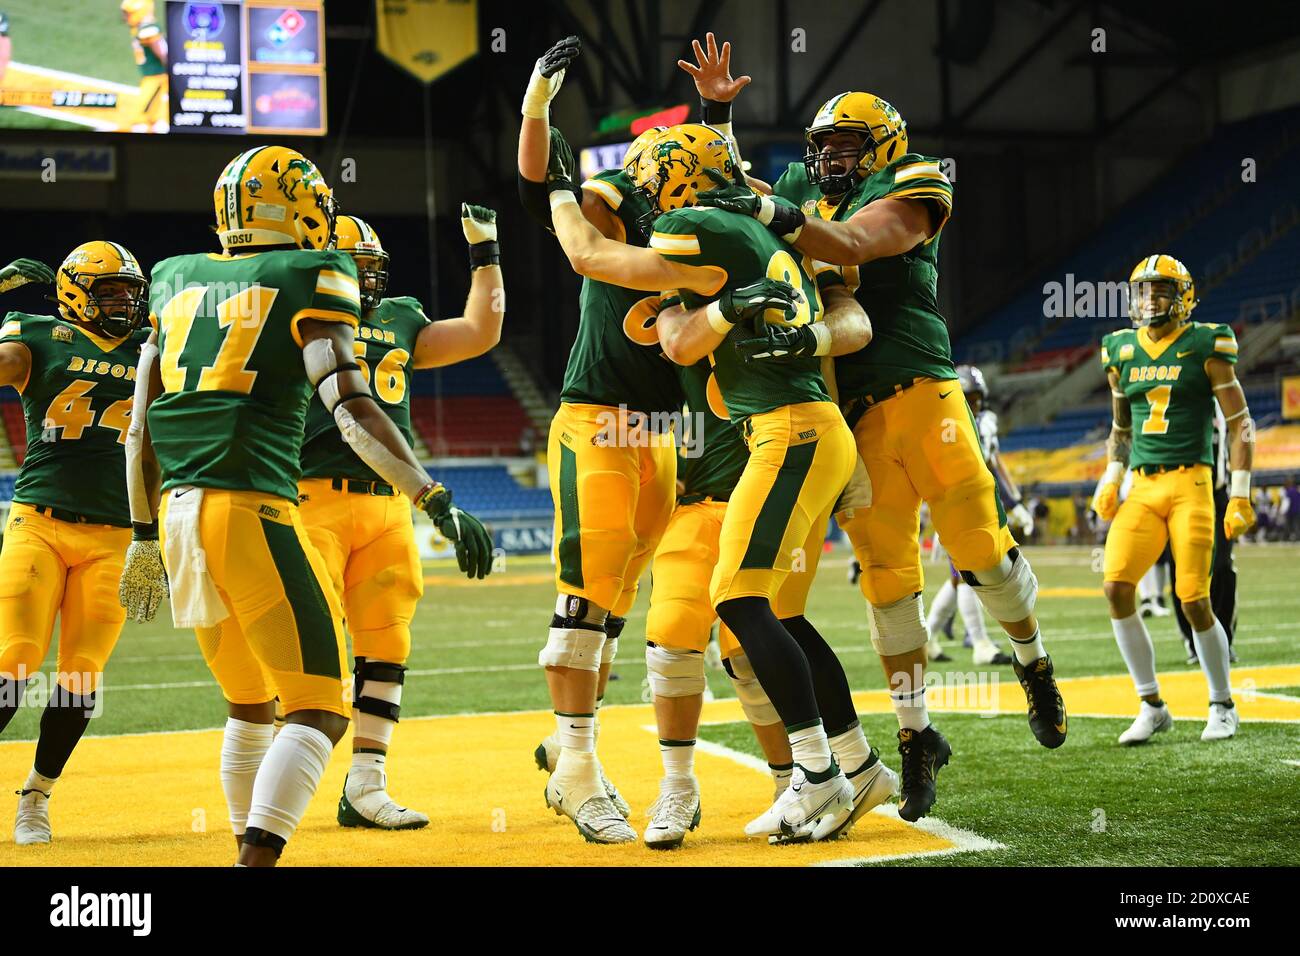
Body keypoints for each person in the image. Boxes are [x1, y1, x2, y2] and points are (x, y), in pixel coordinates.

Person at [697, 91, 1068, 823]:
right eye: (823, 144)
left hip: (924, 388)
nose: (830, 157)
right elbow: (730, 187)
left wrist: (772, 211)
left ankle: (1034, 663)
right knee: (888, 584)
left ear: (886, 144)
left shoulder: (917, 178)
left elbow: (859, 242)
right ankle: (914, 734)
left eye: (847, 143)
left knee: (978, 551)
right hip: (854, 416)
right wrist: (717, 117)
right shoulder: (803, 191)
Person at [118, 145, 493, 865]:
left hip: (175, 511)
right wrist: (434, 496)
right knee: (320, 706)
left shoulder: (170, 278)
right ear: (292, 209)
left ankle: (241, 843)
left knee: (251, 703)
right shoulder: (310, 274)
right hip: (250, 507)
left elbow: (138, 430)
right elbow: (351, 408)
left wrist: (140, 533)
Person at [517, 37, 685, 843]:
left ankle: (570, 745)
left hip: (665, 439)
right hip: (598, 423)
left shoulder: (718, 225)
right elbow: (547, 187)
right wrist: (538, 109)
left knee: (615, 608)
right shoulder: (619, 204)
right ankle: (578, 772)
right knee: (583, 604)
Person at [296, 210, 504, 831]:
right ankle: (269, 783)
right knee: (307, 652)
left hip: (388, 503)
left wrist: (485, 252)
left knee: (386, 643)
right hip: (307, 493)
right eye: (348, 269)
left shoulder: (399, 318)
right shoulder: (297, 318)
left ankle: (366, 785)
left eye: (370, 270)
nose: (362, 282)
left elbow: (480, 331)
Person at [0, 247, 150, 845]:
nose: (124, 302)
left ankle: (36, 795)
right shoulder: (36, 334)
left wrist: (152, 537)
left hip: (115, 532)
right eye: (109, 291)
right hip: (40, 520)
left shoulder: (151, 348)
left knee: (82, 674)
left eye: (128, 291)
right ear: (74, 292)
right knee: (14, 662)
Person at [1091, 254, 1254, 745]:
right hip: (1143, 484)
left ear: (1184, 296)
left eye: (1160, 290)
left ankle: (1223, 703)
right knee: (1117, 587)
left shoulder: (1207, 341)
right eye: (1143, 291)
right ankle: (1151, 703)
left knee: (1194, 598)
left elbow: (1239, 421)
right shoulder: (1119, 349)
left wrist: (1241, 493)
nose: (1150, 300)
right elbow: (1121, 427)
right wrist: (1111, 474)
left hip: (1193, 482)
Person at [925, 364, 1031, 666]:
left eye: (974, 398)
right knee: (968, 576)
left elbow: (993, 462)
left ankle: (929, 636)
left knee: (961, 578)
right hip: (957, 505)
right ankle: (980, 643)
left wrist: (1017, 501)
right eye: (965, 397)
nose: (971, 404)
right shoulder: (945, 423)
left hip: (977, 502)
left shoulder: (981, 422)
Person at [119, 0, 167, 133]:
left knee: (139, 115)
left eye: (129, 13)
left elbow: (162, 53)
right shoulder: (141, 27)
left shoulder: (148, 29)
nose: (126, 17)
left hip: (157, 76)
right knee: (150, 114)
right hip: (152, 76)